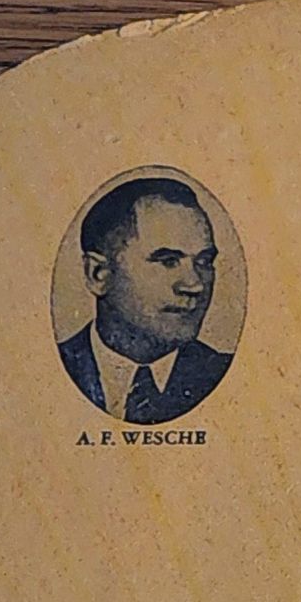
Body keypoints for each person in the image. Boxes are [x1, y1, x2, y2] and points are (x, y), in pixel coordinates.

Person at [58, 177, 234, 424]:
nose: (195, 285)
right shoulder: (49, 370)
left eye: (204, 262)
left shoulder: (230, 376)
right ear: (98, 274)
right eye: (168, 261)